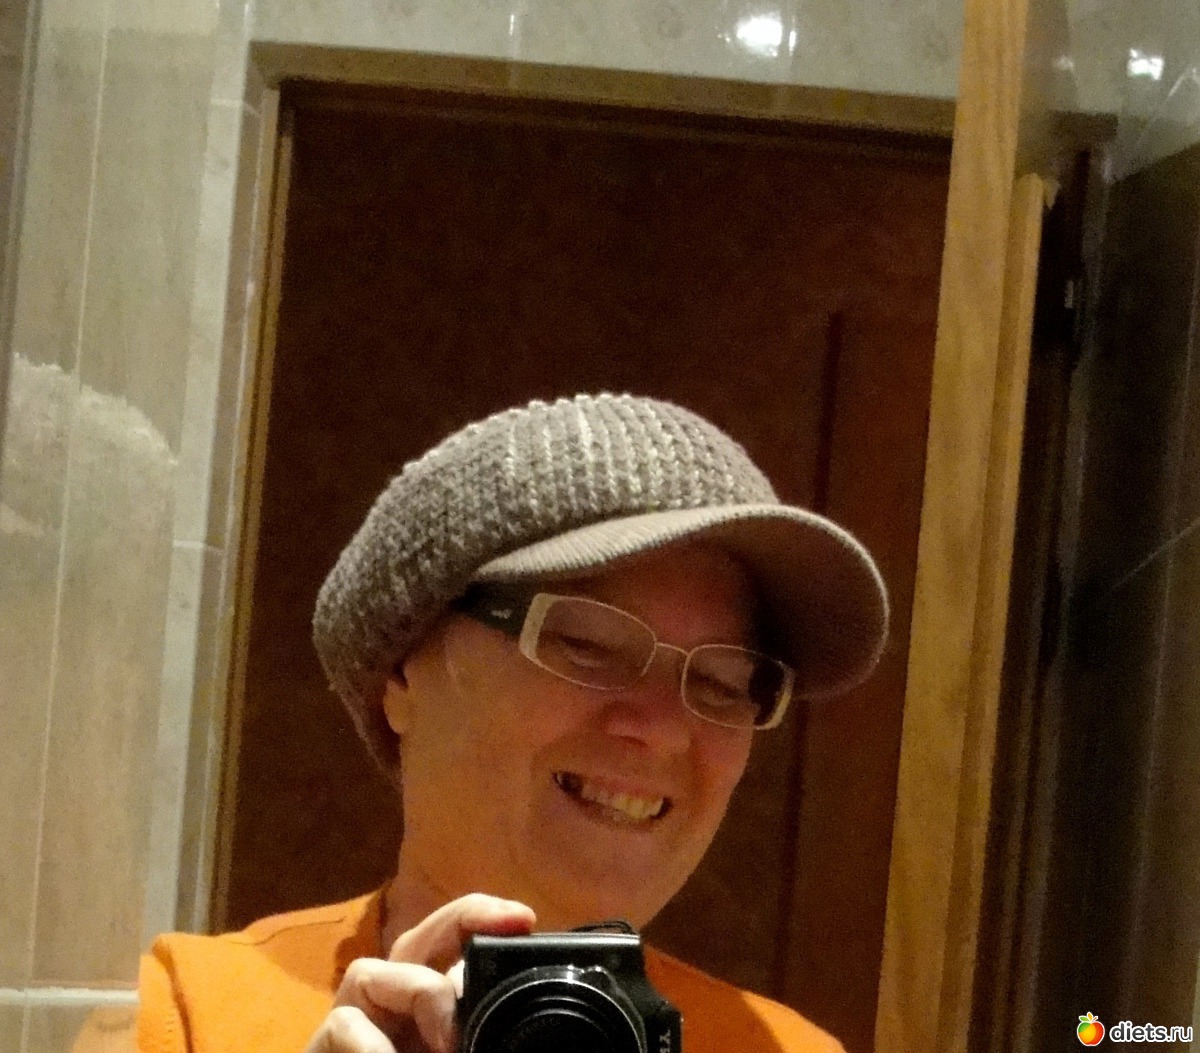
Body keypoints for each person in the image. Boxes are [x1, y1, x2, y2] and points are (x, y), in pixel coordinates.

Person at [135, 393, 888, 1053]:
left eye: (723, 684)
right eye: (586, 643)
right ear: (403, 672)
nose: (663, 728)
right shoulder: (188, 1015)